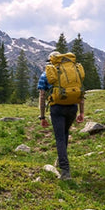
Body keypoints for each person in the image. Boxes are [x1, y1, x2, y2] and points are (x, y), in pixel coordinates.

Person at [37, 51, 85, 180]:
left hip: (57, 108)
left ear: (51, 61)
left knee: (60, 138)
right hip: (73, 107)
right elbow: (79, 91)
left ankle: (65, 171)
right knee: (64, 134)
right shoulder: (73, 71)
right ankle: (60, 159)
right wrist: (81, 112)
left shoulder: (47, 73)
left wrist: (42, 116)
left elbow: (42, 96)